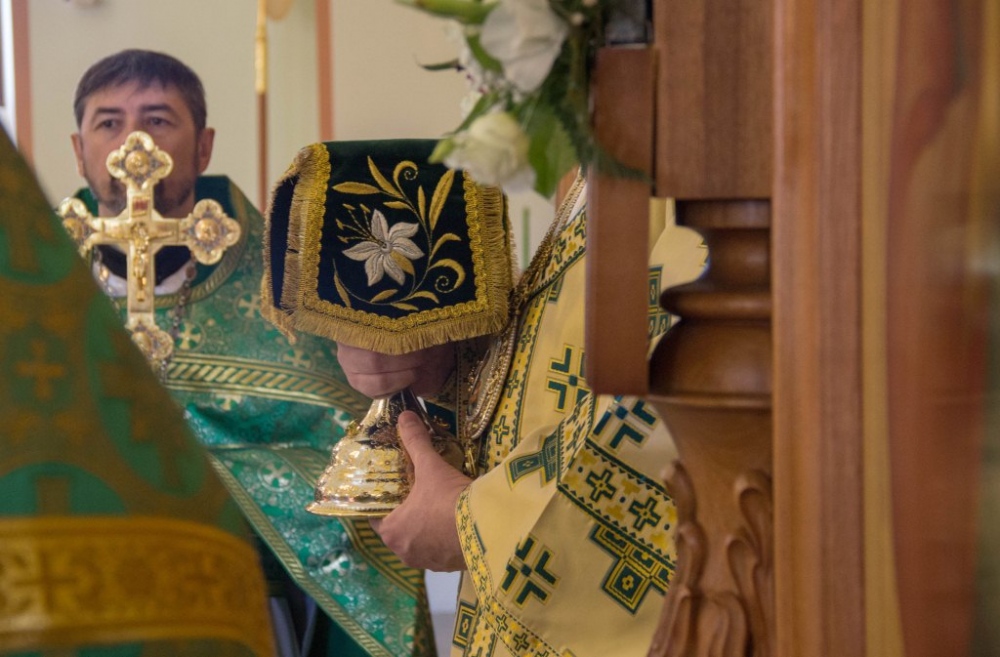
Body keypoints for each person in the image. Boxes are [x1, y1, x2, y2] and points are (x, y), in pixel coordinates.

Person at [66, 49, 435, 657]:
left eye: (158, 119)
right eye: (109, 122)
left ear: (203, 147)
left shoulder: (289, 291)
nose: (134, 144)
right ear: (79, 151)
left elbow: (348, 454)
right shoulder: (35, 295)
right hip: (76, 600)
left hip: (237, 603)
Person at [336, 176, 706, 657]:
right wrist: (448, 368)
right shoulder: (604, 169)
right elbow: (565, 362)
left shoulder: (698, 160)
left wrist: (478, 521)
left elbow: (688, 384)